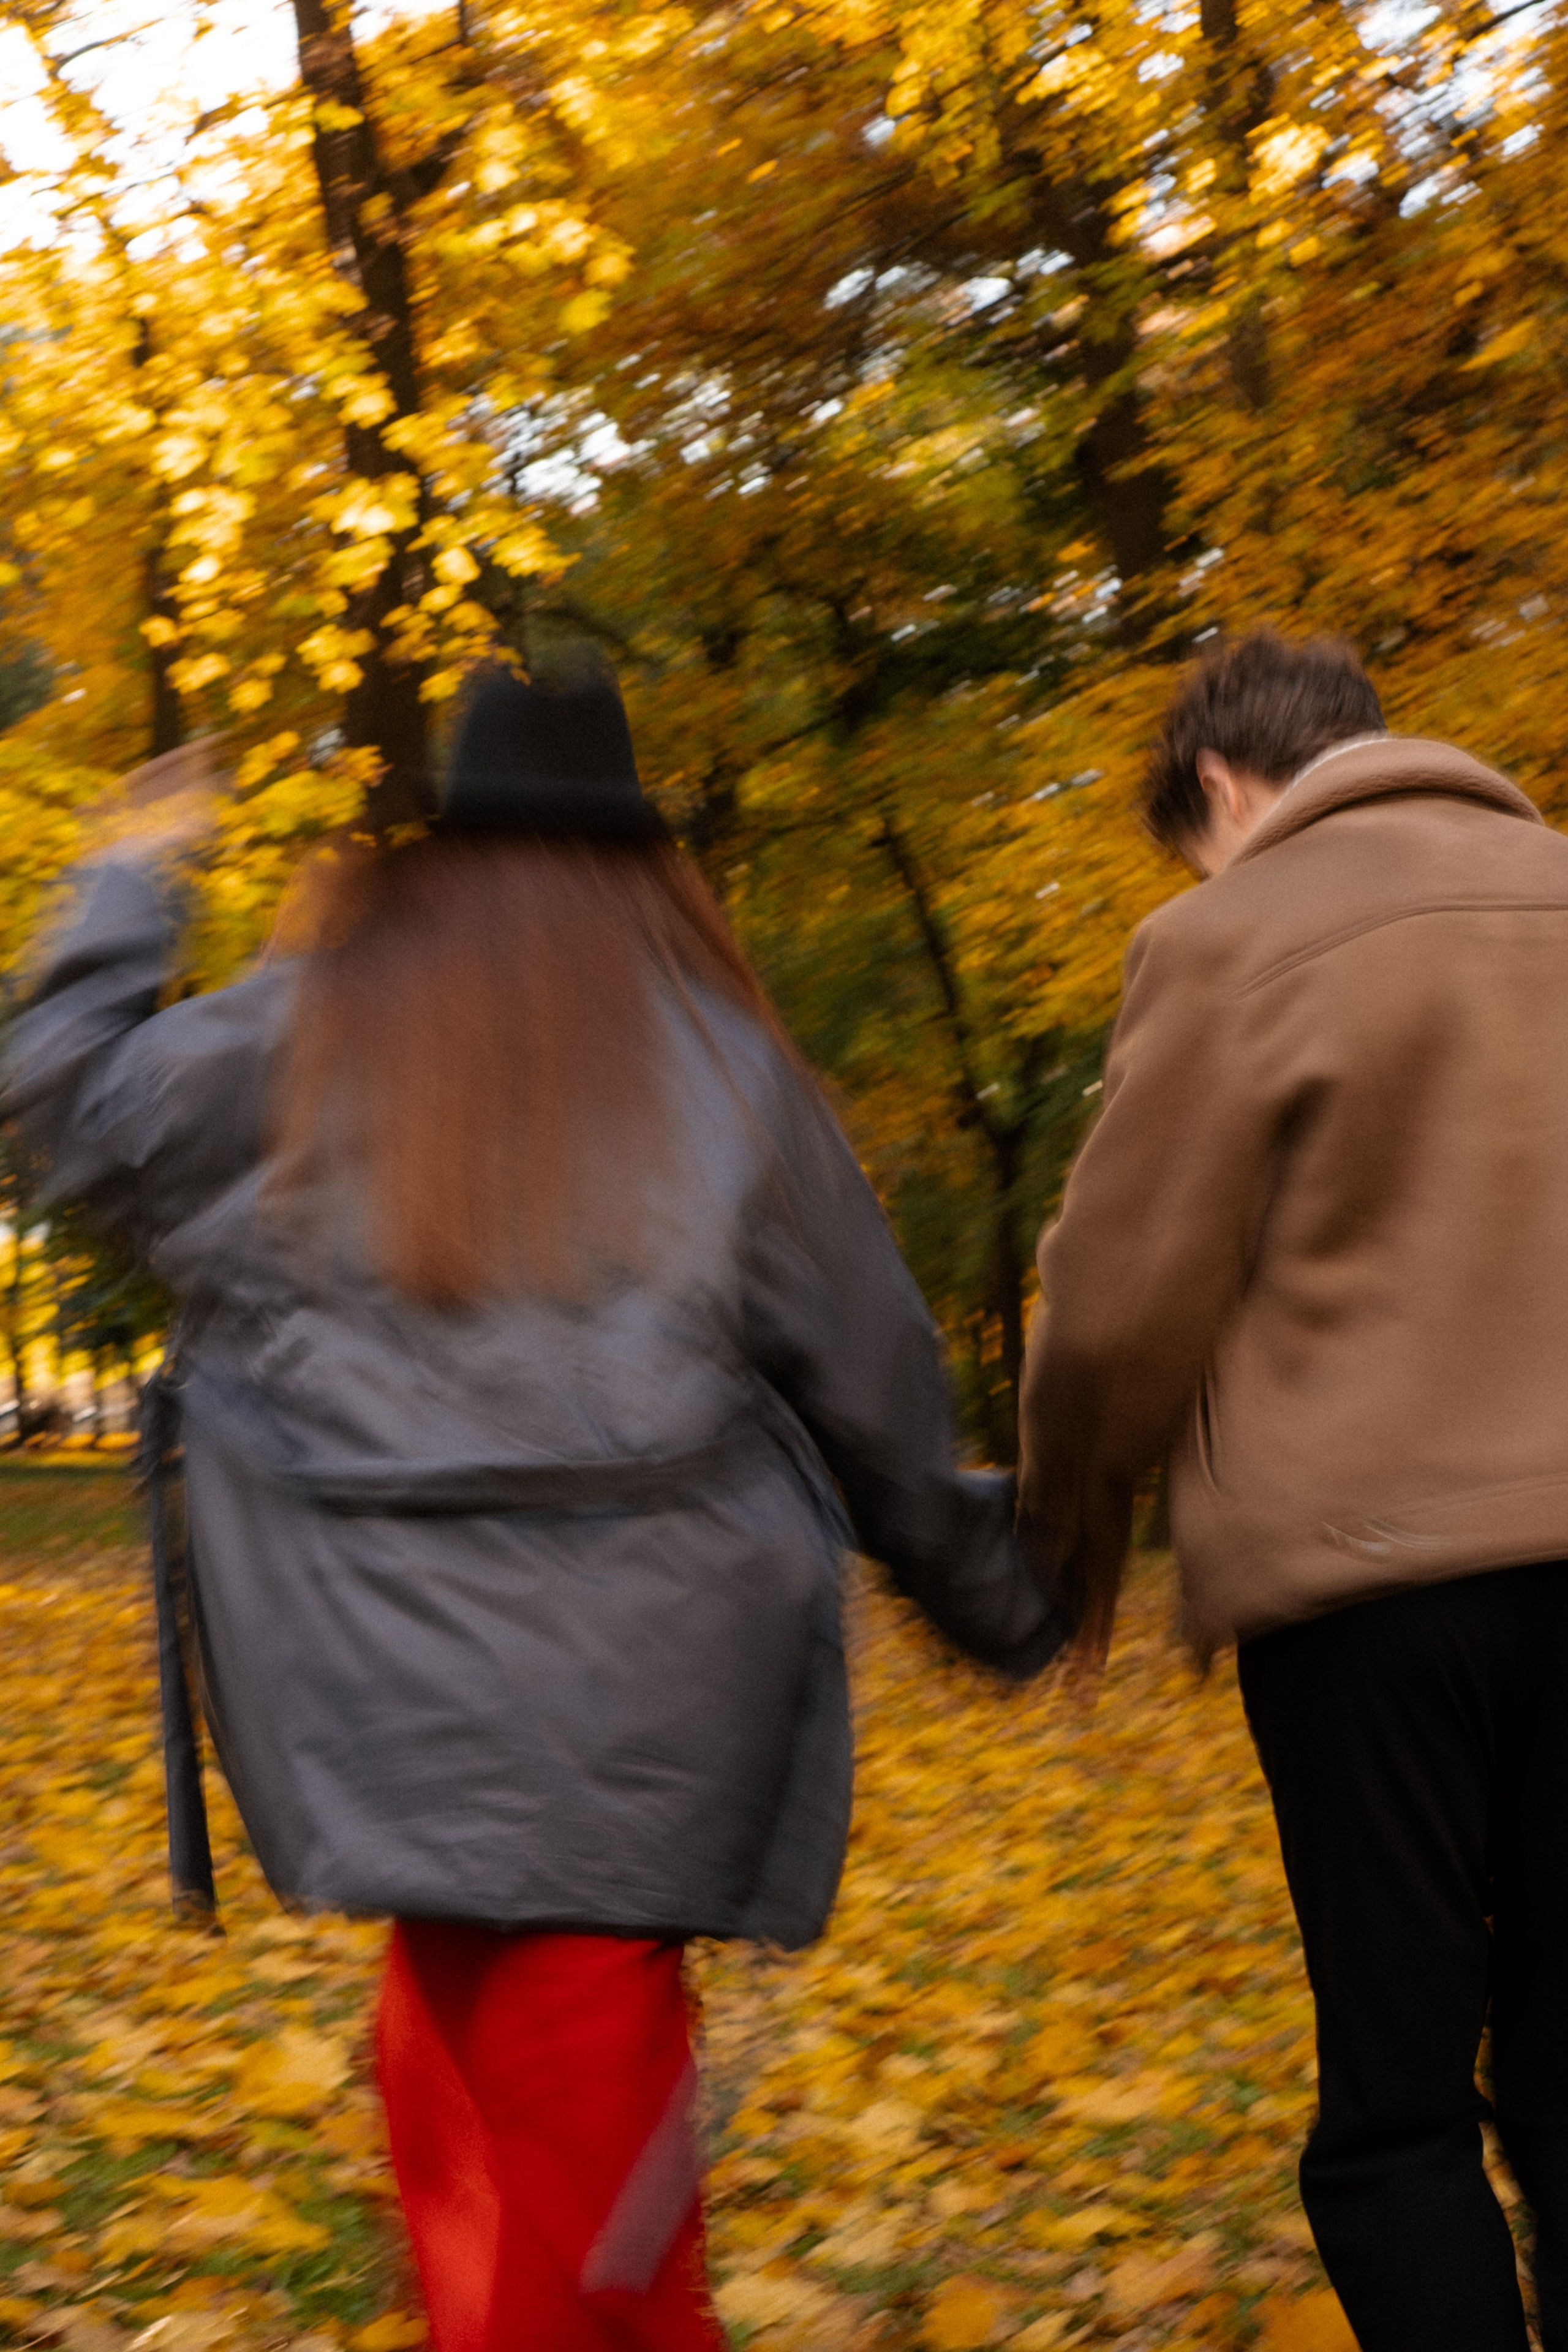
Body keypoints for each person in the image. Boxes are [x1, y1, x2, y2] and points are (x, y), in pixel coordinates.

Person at [6, 663, 1070, 2352]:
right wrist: (1002, 1602)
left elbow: (61, 1095)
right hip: (638, 1735)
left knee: (491, 2167)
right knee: (580, 2234)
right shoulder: (725, 1073)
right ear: (649, 869)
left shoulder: (303, 1034)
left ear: (442, 854)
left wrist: (136, 873)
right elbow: (879, 1393)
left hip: (379, 1710)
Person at [1019, 627, 1568, 2352]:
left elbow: (1122, 1301)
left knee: (1397, 2111)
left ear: (1224, 786)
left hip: (1369, 1592)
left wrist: (1069, 1539)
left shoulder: (1231, 935)